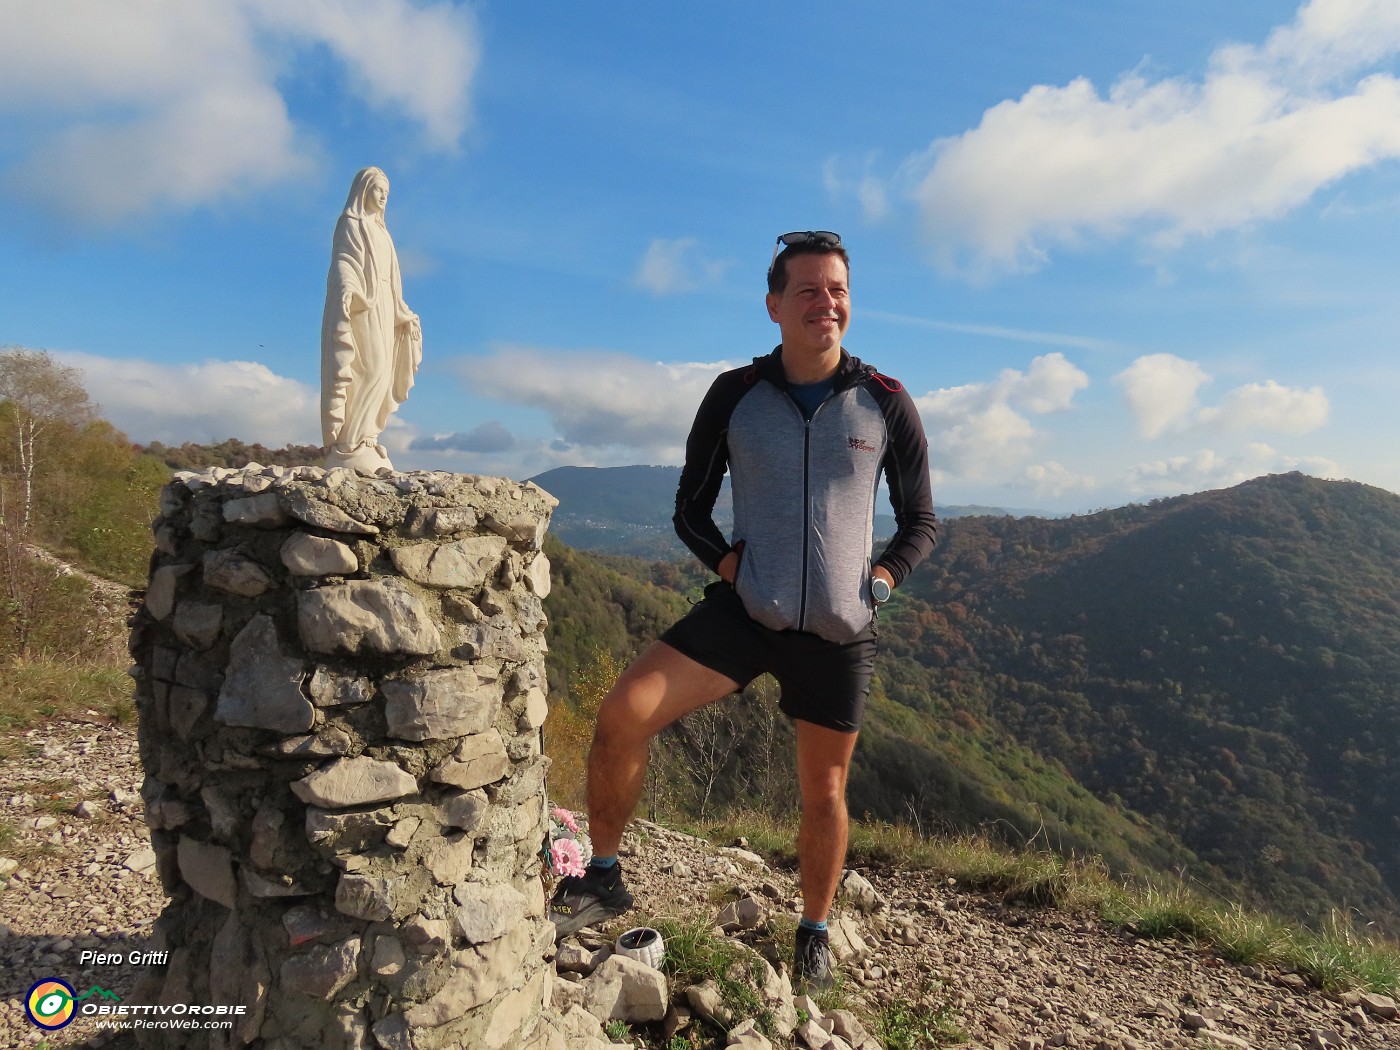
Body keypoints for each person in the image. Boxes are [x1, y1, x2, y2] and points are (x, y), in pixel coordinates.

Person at [548, 231, 937, 991]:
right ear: (774, 306)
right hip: (744, 614)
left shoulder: (885, 401)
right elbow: (689, 510)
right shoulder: (735, 394)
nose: (828, 304)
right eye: (810, 291)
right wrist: (734, 568)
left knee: (824, 793)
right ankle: (601, 876)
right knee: (623, 711)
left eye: (838, 291)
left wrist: (881, 582)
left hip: (837, 631)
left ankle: (814, 931)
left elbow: (920, 519)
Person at [320, 166, 422, 472]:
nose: (383, 198)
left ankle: (366, 437)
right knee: (367, 367)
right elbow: (343, 262)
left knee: (384, 370)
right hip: (363, 303)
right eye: (378, 190)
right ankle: (349, 442)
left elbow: (393, 278)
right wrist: (348, 288)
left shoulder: (383, 233)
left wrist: (402, 312)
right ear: (363, 191)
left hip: (386, 305)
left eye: (387, 193)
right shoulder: (350, 224)